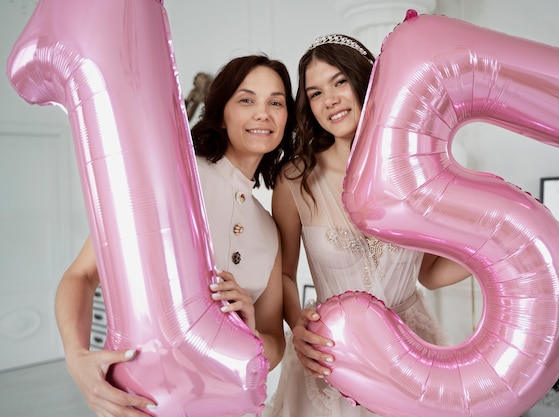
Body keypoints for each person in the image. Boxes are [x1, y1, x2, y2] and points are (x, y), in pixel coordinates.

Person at [55, 54, 296, 417]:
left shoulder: (269, 230)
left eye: (275, 102)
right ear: (220, 112)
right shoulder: (174, 179)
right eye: (246, 100)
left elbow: (274, 345)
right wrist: (77, 358)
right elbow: (82, 274)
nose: (263, 113)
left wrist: (249, 330)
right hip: (144, 402)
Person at [265, 35, 471, 417]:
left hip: (413, 353)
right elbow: (286, 275)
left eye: (339, 81)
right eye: (315, 93)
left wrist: (501, 253)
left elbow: (428, 273)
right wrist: (299, 328)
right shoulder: (294, 178)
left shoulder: (414, 168)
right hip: (332, 354)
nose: (329, 100)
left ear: (366, 81)